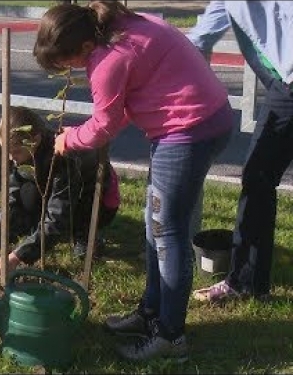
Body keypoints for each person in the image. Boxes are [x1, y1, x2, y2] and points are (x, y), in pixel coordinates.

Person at [32, 1, 234, 362]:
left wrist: (68, 139)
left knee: (168, 232)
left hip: (188, 129)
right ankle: (151, 312)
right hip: (199, 119)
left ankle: (170, 337)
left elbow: (104, 126)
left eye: (66, 63)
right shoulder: (122, 27)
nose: (69, 70)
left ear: (81, 47)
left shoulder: (109, 58)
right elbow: (127, 104)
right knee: (153, 223)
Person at [186, 1, 293, 303]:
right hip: (283, 84)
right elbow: (202, 37)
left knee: (259, 177)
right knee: (258, 178)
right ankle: (247, 281)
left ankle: (246, 282)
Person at [0, 106, 120, 278]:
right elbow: (13, 198)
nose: (11, 158)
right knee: (26, 194)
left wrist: (17, 256)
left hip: (97, 201)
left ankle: (84, 234)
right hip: (60, 193)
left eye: (15, 152)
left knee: (70, 226)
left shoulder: (63, 157)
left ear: (35, 140)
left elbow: (58, 215)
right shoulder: (26, 154)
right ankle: (39, 233)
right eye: (7, 152)